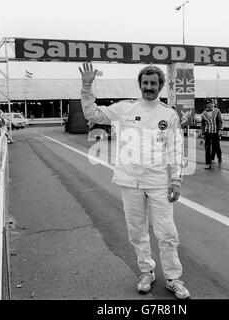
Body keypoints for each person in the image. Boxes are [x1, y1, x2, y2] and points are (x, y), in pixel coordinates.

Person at [79, 62, 190, 299]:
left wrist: (176, 180)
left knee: (166, 232)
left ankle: (173, 278)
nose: (149, 87)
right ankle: (146, 272)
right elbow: (92, 113)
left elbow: (176, 149)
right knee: (137, 232)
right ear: (140, 84)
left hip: (159, 182)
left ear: (160, 86)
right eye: (145, 83)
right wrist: (87, 86)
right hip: (129, 181)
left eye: (153, 83)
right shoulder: (124, 109)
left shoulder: (168, 115)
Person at [200, 98, 223, 169]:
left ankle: (219, 158)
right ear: (205, 104)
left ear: (213, 103)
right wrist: (203, 132)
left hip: (215, 132)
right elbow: (203, 124)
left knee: (217, 146)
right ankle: (208, 163)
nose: (209, 104)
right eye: (207, 103)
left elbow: (220, 121)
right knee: (207, 147)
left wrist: (220, 130)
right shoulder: (203, 114)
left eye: (210, 103)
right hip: (207, 132)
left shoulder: (217, 111)